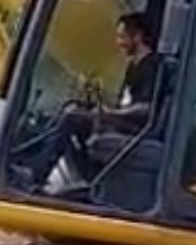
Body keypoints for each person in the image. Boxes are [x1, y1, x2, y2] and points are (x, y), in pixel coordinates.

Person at [23, 12, 160, 189]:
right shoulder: (133, 65)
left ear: (138, 36)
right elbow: (126, 101)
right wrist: (99, 104)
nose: (118, 42)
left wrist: (113, 113)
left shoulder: (152, 66)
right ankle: (53, 164)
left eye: (122, 37)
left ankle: (37, 174)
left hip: (137, 128)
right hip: (122, 119)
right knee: (72, 106)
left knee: (73, 117)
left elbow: (147, 108)